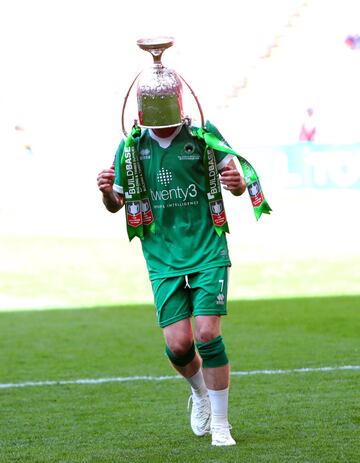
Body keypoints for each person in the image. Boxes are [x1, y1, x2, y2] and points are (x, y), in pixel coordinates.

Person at [97, 37, 258, 447]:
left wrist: (237, 183)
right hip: (162, 253)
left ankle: (222, 425)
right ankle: (199, 393)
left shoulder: (203, 135)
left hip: (207, 248)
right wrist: (105, 192)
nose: (164, 125)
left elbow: (235, 183)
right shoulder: (131, 147)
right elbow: (117, 204)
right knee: (179, 343)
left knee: (206, 333)